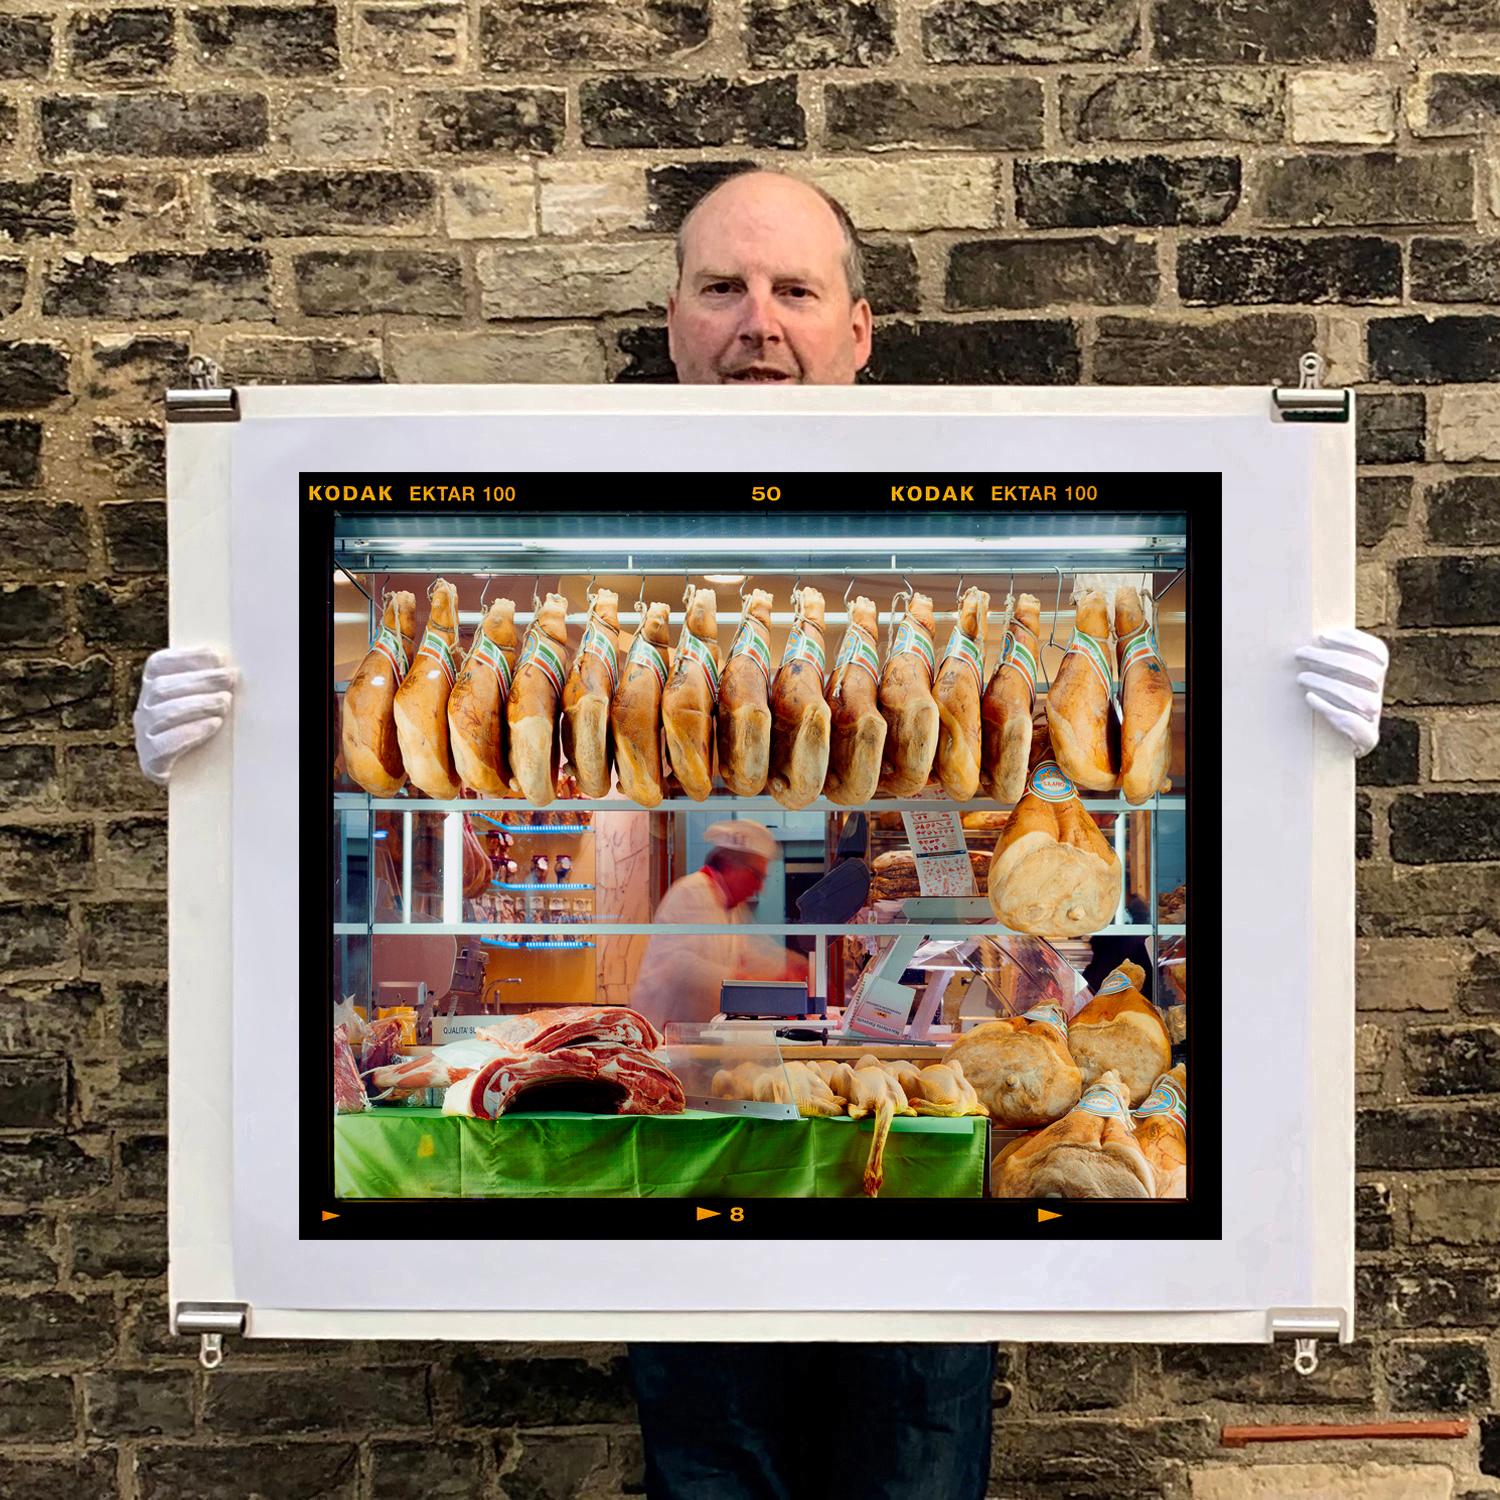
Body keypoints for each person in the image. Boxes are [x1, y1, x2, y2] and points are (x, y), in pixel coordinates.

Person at [136, 167, 1392, 1500]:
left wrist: (1287, 735)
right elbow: (362, 758)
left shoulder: (993, 546)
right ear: (672, 321)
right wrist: (225, 758)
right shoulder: (594, 551)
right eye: (723, 287)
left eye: (795, 289)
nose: (759, 321)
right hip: (682, 1206)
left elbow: (1122, 788)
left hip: (926, 1241)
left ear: (858, 328)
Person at [631, 819, 807, 1036]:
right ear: (732, 867)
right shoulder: (690, 891)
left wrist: (787, 967)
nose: (759, 887)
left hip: (696, 1031)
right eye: (757, 876)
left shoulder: (732, 906)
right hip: (662, 1028)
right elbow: (678, 965)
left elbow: (750, 952)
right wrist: (738, 980)